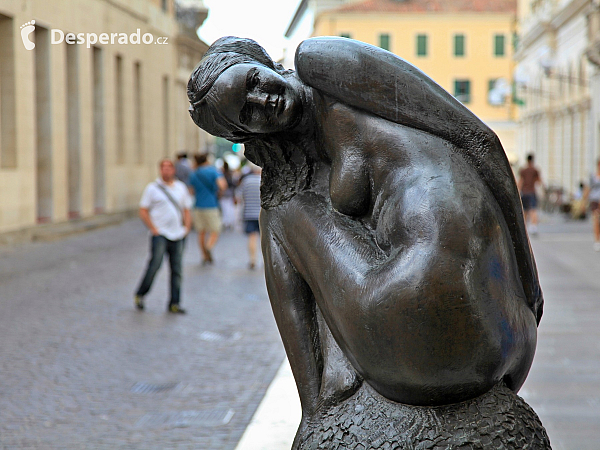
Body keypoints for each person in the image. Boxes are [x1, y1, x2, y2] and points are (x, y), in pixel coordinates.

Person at [188, 37, 546, 447]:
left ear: (265, 62)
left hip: (427, 324)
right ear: (243, 134)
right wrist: (524, 290)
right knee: (281, 196)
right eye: (247, 112)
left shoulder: (321, 62)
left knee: (280, 209)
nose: (262, 99)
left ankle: (320, 403)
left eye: (254, 80)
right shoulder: (311, 145)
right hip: (507, 340)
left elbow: (480, 140)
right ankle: (326, 399)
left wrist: (528, 277)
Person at [134, 159, 192, 314]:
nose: (166, 171)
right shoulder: (152, 188)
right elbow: (143, 210)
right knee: (154, 265)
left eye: (169, 168)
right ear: (160, 170)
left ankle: (174, 303)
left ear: (173, 170)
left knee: (177, 269)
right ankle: (140, 294)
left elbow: (186, 209)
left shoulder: (180, 188)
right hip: (160, 234)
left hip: (177, 234)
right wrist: (153, 229)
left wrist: (186, 228)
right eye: (163, 168)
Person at [189, 153, 227, 264]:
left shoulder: (194, 173)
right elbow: (223, 185)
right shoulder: (213, 171)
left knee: (201, 232)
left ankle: (204, 255)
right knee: (216, 229)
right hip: (211, 205)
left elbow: (191, 191)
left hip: (198, 205)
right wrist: (218, 192)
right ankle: (209, 247)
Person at [236, 162, 261, 269]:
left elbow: (238, 196)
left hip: (249, 213)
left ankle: (253, 260)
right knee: (264, 239)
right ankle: (267, 260)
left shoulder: (246, 181)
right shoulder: (263, 181)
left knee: (252, 237)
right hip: (262, 214)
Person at [518, 154, 542, 235]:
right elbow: (539, 181)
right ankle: (533, 227)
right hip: (532, 192)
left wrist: (518, 191)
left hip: (524, 192)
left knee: (524, 210)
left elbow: (520, 182)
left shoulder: (523, 170)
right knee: (533, 210)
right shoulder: (535, 170)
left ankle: (524, 228)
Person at [584, 159, 600, 251]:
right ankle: (597, 240)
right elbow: (588, 188)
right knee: (596, 219)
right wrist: (584, 201)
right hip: (594, 200)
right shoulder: (593, 176)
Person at [220, 161, 238, 230]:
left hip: (225, 194)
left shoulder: (222, 175)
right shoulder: (230, 174)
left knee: (225, 209)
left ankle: (226, 222)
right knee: (230, 208)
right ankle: (229, 222)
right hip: (230, 193)